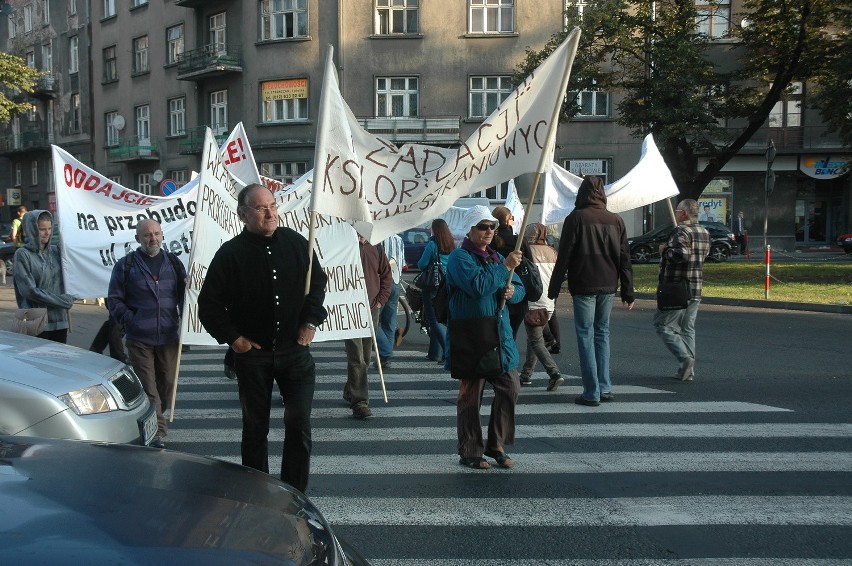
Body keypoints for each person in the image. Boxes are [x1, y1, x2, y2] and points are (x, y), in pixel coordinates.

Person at [198, 184, 327, 493]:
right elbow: (209, 305)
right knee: (255, 429)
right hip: (252, 357)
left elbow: (317, 284)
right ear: (243, 215)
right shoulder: (230, 253)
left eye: (272, 206)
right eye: (260, 208)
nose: (270, 213)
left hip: (294, 353)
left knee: (299, 425)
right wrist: (234, 339)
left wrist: (310, 321)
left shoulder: (298, 244)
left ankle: (295, 493)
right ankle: (256, 493)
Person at [446, 205, 524, 470]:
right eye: (483, 226)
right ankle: (470, 449)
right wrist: (503, 269)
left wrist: (514, 292)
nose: (489, 231)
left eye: (492, 226)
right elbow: (478, 286)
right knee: (471, 394)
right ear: (470, 229)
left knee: (510, 386)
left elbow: (521, 288)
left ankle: (496, 443)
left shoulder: (495, 256)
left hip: (499, 337)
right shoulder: (460, 258)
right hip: (472, 335)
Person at [548, 176, 635, 407]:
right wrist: (628, 292)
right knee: (602, 333)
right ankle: (604, 386)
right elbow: (625, 258)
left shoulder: (575, 218)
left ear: (582, 193)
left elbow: (564, 256)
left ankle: (591, 391)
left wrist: (553, 289)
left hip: (584, 283)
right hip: (608, 285)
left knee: (585, 335)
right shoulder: (616, 220)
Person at [108, 219, 186, 449]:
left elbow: (185, 296)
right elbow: (113, 299)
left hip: (169, 336)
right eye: (147, 235)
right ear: (137, 239)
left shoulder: (173, 262)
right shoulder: (126, 265)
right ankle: (158, 432)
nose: (152, 239)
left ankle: (154, 416)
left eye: (156, 234)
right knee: (149, 387)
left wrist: (190, 290)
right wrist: (131, 321)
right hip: (139, 338)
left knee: (168, 384)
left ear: (162, 236)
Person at [653, 199, 710, 382]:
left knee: (663, 325)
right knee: (687, 328)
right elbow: (704, 255)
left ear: (684, 213)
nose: (676, 214)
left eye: (678, 211)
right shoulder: (704, 232)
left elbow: (681, 255)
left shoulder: (681, 231)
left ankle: (684, 358)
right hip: (696, 287)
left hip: (677, 287)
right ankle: (688, 370)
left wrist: (664, 250)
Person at [343, 235, 392, 419]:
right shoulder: (344, 245)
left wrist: (380, 301)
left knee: (365, 355)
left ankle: (351, 390)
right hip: (349, 308)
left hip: (371, 308)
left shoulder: (376, 247)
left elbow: (386, 275)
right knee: (357, 357)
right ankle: (360, 402)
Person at [13, 210, 75, 343]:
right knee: (38, 362)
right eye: (42, 229)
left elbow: (70, 277)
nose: (47, 233)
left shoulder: (56, 251)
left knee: (58, 362)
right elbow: (29, 291)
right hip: (34, 320)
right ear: (31, 230)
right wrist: (62, 301)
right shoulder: (23, 254)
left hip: (59, 320)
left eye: (49, 228)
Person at [519, 223, 564, 390]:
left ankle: (554, 373)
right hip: (549, 303)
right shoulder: (553, 252)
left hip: (532, 302)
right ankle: (526, 374)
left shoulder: (526, 252)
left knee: (536, 340)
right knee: (534, 338)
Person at [417, 218, 454, 363]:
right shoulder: (452, 245)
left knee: (433, 320)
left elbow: (421, 264)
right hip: (447, 284)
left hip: (433, 285)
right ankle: (434, 354)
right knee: (440, 318)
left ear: (434, 230)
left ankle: (448, 353)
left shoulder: (432, 245)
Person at [491, 205, 528, 338]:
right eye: (512, 218)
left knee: (494, 337)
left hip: (494, 293)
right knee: (510, 337)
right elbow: (530, 265)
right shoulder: (518, 241)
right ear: (507, 220)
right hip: (517, 294)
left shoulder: (488, 243)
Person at [376, 233, 404, 368]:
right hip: (396, 280)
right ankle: (384, 358)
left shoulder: (377, 238)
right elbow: (402, 262)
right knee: (389, 320)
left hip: (381, 282)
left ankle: (386, 351)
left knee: (372, 319)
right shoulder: (399, 239)